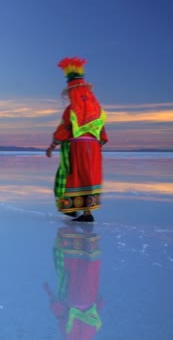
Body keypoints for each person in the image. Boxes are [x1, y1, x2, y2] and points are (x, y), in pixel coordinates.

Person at [46, 57, 108, 222]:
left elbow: (64, 129)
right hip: (94, 147)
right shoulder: (98, 111)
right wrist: (95, 145)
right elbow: (102, 133)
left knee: (71, 174)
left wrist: (52, 145)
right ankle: (87, 213)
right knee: (89, 176)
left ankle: (72, 209)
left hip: (77, 147)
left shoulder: (72, 109)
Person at [44, 224, 103, 339]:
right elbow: (61, 315)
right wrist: (50, 294)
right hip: (73, 297)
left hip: (90, 296)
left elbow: (97, 315)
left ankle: (87, 234)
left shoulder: (89, 336)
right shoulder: (69, 336)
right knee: (72, 268)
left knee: (89, 268)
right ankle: (70, 231)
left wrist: (99, 300)